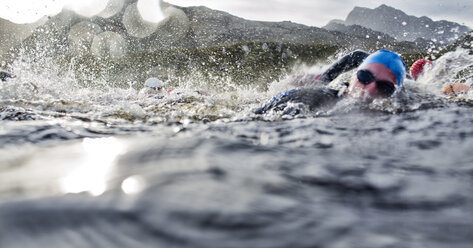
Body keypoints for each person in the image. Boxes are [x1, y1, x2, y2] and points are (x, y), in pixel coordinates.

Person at [254, 49, 407, 114]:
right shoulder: (315, 96)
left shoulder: (402, 108)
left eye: (384, 87)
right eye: (365, 77)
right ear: (354, 76)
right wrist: (324, 78)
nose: (371, 88)